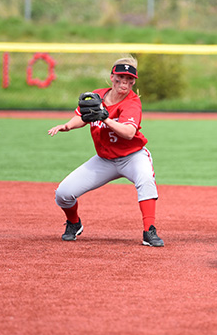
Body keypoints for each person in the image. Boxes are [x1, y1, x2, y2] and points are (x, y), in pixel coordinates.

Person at [47, 56, 164, 247]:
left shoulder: (132, 103)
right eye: (120, 77)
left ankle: (149, 231)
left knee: (146, 180)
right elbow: (82, 117)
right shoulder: (97, 96)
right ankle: (74, 223)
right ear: (112, 77)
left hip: (132, 157)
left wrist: (106, 118)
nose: (124, 82)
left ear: (133, 81)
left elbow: (129, 132)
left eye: (129, 79)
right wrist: (67, 126)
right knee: (63, 194)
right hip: (104, 160)